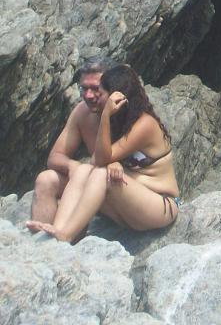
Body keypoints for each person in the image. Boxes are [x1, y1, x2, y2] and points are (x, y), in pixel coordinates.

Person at [26, 64, 179, 241]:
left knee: (98, 174)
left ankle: (65, 235)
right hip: (122, 199)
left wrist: (105, 116)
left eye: (99, 91)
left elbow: (100, 159)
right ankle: (55, 234)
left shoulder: (145, 124)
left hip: (159, 203)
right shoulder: (93, 115)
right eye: (85, 89)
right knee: (69, 174)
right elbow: (62, 158)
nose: (93, 97)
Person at [29, 56, 116, 230]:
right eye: (84, 89)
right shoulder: (82, 113)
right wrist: (72, 166)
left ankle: (63, 234)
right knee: (46, 180)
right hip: (90, 180)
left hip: (120, 187)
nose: (88, 95)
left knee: (87, 176)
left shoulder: (127, 111)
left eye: (95, 89)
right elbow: (55, 157)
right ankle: (40, 244)